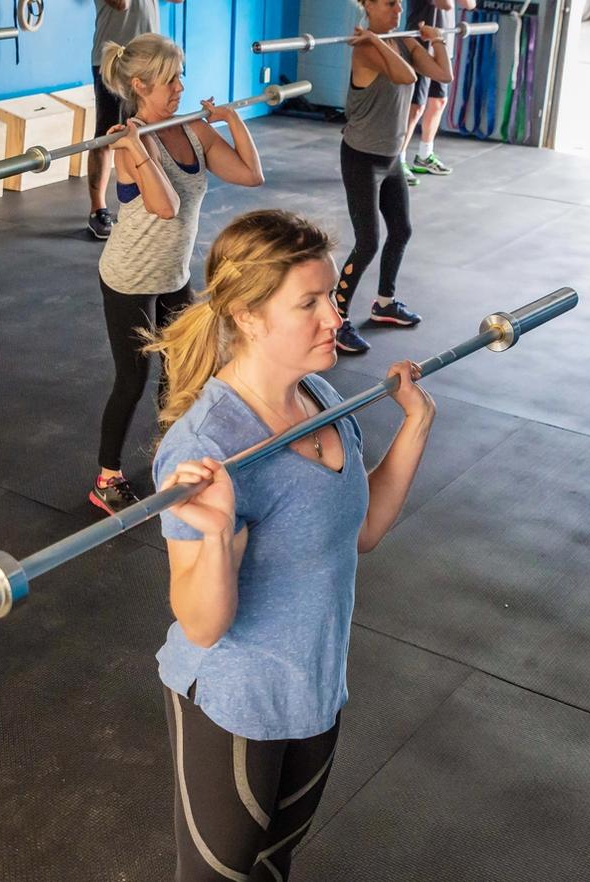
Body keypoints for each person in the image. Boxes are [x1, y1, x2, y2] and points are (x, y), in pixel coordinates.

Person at [148, 209, 434, 881]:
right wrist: (216, 532)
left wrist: (414, 428)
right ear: (248, 316)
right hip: (235, 701)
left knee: (276, 865)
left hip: (315, 687)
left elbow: (359, 532)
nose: (335, 316)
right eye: (308, 303)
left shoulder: (321, 398)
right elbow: (203, 623)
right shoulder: (207, 447)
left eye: (331, 296)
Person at [88, 35, 265, 515]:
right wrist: (136, 143)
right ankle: (107, 477)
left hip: (172, 274)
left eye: (180, 76)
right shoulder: (130, 147)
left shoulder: (192, 131)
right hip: (129, 276)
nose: (180, 88)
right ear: (141, 85)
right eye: (170, 80)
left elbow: (251, 174)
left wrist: (230, 121)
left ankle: (174, 452)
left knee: (184, 369)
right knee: (133, 377)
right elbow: (164, 207)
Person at [335, 0, 452, 355]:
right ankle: (336, 318)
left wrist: (437, 40)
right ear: (367, 6)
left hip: (391, 159)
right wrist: (376, 40)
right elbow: (408, 77)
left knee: (401, 230)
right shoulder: (365, 51)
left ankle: (384, 302)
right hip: (361, 157)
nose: (398, 8)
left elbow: (442, 75)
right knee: (367, 241)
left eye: (399, 3)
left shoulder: (400, 40)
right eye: (389, 3)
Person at [87, 0, 182, 240]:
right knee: (106, 136)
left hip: (151, 63)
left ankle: (149, 199)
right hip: (113, 62)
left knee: (146, 132)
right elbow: (121, 4)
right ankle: (97, 209)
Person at [403, 0, 475, 180]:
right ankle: (398, 160)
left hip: (441, 44)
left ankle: (425, 155)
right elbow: (446, 4)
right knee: (415, 107)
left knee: (438, 101)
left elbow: (469, 4)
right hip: (420, 44)